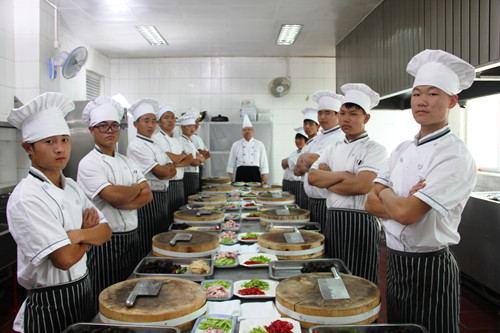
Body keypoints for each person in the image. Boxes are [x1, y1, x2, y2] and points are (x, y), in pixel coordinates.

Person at [365, 49, 477, 333]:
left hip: (430, 269)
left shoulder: (454, 155)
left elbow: (406, 214)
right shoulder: (403, 148)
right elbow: (369, 202)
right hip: (395, 263)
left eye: (433, 94)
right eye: (417, 94)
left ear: (452, 100)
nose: (422, 101)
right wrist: (400, 202)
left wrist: (391, 198)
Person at [6, 92, 112, 333]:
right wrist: (86, 233)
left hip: (84, 290)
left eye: (65, 140)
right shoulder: (27, 198)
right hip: (49, 304)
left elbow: (105, 231)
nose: (59, 149)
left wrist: (76, 237)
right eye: (49, 142)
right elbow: (63, 260)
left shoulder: (72, 187)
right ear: (28, 148)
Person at [77, 96, 153, 308]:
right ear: (92, 130)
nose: (110, 130)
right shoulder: (88, 164)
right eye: (103, 126)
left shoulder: (127, 162)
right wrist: (134, 188)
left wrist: (126, 195)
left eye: (114, 125)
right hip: (105, 243)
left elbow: (147, 194)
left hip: (132, 236)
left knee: (130, 294)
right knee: (107, 297)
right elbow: (114, 197)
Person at [309, 83, 387, 284]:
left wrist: (329, 179)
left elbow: (361, 186)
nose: (345, 119)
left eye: (353, 114)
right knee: (334, 280)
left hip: (360, 224)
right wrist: (344, 176)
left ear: (366, 118)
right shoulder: (333, 147)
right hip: (333, 221)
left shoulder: (375, 149)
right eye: (342, 113)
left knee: (360, 283)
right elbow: (312, 177)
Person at [127, 98, 176, 258]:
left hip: (162, 197)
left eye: (153, 121)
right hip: (149, 200)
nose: (150, 125)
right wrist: (165, 169)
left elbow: (172, 169)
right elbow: (162, 172)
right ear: (135, 124)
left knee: (161, 239)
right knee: (149, 243)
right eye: (146, 121)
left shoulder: (154, 144)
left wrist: (166, 168)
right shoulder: (136, 146)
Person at [294, 90, 344, 226]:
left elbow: (313, 161)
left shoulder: (339, 137)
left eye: (327, 113)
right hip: (311, 199)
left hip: (325, 201)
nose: (322, 117)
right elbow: (297, 169)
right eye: (320, 113)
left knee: (324, 242)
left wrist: (307, 160)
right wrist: (307, 160)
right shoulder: (319, 137)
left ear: (338, 115)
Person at [153, 104, 194, 221]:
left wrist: (176, 164)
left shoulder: (177, 139)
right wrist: (181, 157)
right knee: (168, 217)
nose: (170, 120)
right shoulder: (156, 139)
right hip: (167, 185)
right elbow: (173, 157)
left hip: (180, 183)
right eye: (166, 117)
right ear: (159, 122)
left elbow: (190, 157)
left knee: (181, 216)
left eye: (172, 117)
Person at [227, 114, 269, 183]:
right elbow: (231, 161)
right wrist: (230, 176)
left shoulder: (260, 144)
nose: (246, 131)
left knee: (255, 192)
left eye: (249, 129)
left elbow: (263, 161)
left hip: (255, 173)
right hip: (241, 173)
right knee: (240, 192)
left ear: (253, 131)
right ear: (242, 132)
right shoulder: (236, 144)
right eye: (244, 130)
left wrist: (264, 176)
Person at [294, 107, 320, 210]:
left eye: (311, 124)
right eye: (305, 124)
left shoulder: (317, 143)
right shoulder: (307, 145)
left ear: (318, 126)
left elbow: (301, 167)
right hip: (304, 187)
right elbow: (297, 170)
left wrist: (302, 164)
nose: (307, 127)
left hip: (316, 193)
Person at [179, 115, 206, 200]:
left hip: (195, 175)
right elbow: (195, 162)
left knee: (195, 198)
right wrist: (197, 158)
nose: (192, 129)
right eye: (189, 126)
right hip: (187, 175)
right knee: (190, 200)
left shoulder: (191, 141)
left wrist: (196, 158)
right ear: (182, 127)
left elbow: (203, 159)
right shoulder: (180, 141)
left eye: (193, 126)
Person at [281, 126, 307, 199]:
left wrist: (287, 162)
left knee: (296, 206)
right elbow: (283, 164)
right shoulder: (294, 153)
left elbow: (293, 164)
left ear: (306, 140)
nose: (297, 141)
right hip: (287, 183)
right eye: (296, 138)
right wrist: (287, 162)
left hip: (297, 185)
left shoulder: (305, 152)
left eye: (300, 139)